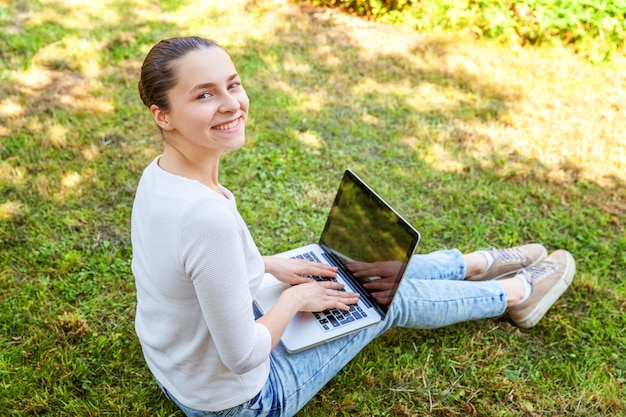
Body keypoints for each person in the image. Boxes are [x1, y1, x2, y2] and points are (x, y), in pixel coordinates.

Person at [131, 36, 576, 417]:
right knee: (379, 303)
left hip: (179, 368)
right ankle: (516, 294)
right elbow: (243, 355)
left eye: (233, 84)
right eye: (204, 95)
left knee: (352, 271)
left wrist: (271, 267)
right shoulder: (206, 218)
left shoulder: (162, 175)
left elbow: (193, 268)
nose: (231, 104)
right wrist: (295, 299)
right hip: (237, 403)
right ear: (162, 115)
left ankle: (472, 265)